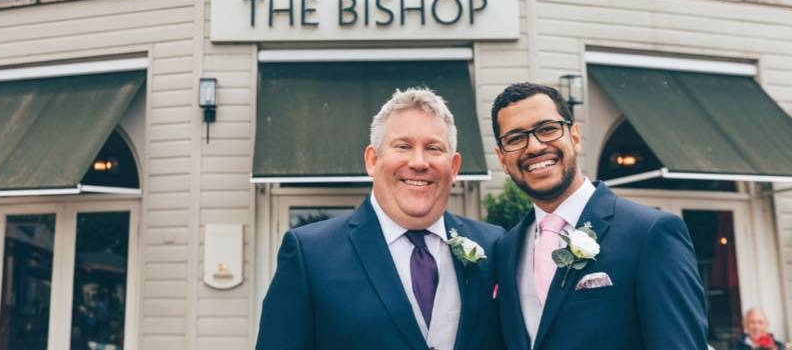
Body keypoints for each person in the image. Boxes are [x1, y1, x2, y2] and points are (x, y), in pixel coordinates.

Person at [256, 88, 505, 350]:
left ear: (454, 167)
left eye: (433, 148)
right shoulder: (310, 254)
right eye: (403, 146)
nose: (419, 162)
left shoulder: (493, 245)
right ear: (372, 160)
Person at [491, 83, 708, 350]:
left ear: (575, 136)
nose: (534, 147)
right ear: (502, 159)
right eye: (515, 138)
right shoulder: (505, 250)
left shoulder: (650, 233)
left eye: (547, 129)